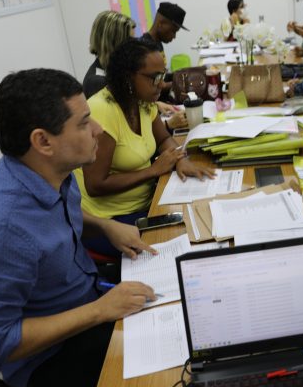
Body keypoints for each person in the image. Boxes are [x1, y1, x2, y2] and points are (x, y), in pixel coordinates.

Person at [0, 68, 157, 387]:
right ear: (43, 141)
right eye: (85, 122)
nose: (98, 129)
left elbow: (56, 219)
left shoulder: (51, 171)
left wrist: (103, 224)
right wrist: (100, 310)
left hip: (85, 294)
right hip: (51, 356)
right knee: (169, 356)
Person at [76, 39, 215, 256]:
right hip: (112, 220)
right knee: (190, 240)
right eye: (155, 78)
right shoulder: (103, 110)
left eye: (163, 75)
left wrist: (181, 160)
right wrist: (152, 171)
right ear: (128, 76)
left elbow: (163, 140)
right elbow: (95, 184)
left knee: (204, 215)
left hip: (148, 200)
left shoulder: (142, 101)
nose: (162, 84)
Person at [86, 10, 186, 130]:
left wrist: (156, 104)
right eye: (130, 42)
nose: (134, 48)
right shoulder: (98, 83)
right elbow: (126, 128)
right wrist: (167, 125)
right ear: (114, 43)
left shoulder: (115, 71)